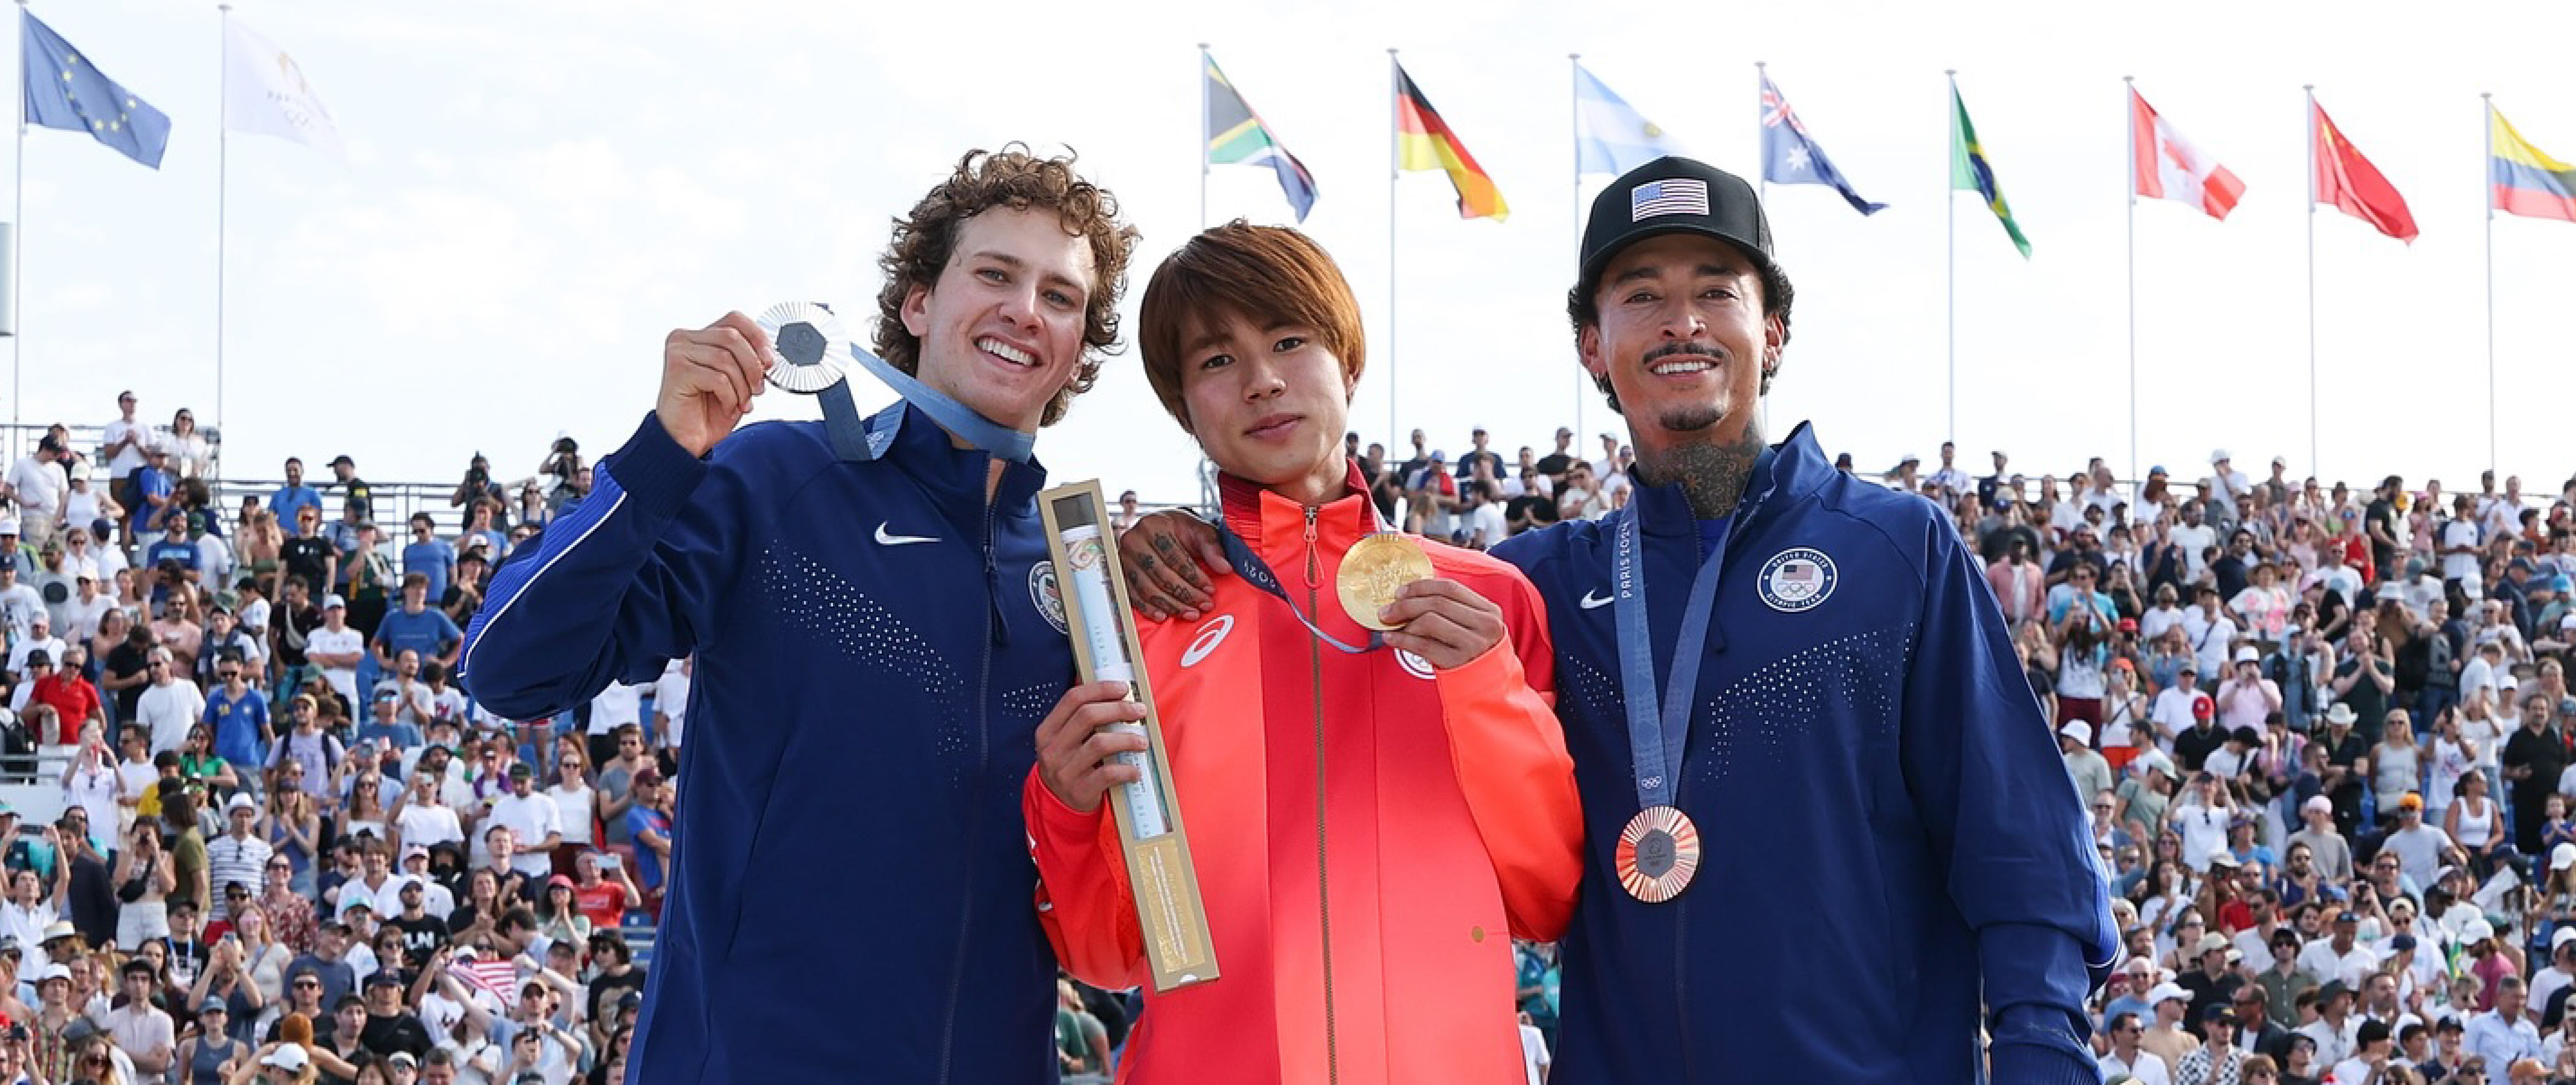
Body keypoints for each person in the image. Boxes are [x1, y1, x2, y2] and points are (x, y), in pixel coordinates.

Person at [1118, 156, 2115, 1081]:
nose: (1679, 321)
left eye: (1715, 291)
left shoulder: (1897, 549)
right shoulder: (1533, 587)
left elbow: (2020, 843)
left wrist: (2041, 1049)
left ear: (1771, 333)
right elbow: (1324, 617)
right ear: (1593, 347)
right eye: (1641, 296)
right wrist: (1190, 541)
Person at [456, 148, 1139, 1083]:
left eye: (1060, 296)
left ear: (1078, 346)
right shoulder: (776, 480)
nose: (1027, 309)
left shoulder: (1077, 570)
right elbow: (511, 670)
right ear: (916, 305)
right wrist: (662, 455)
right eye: (994, 273)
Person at [1028, 223, 1581, 1081]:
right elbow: (1104, 955)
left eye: (1291, 340)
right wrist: (1064, 804)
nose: (1262, 381)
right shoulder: (1140, 620)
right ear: (1183, 407)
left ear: (1348, 361)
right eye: (1216, 361)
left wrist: (1484, 689)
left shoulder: (1489, 603)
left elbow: (1547, 895)